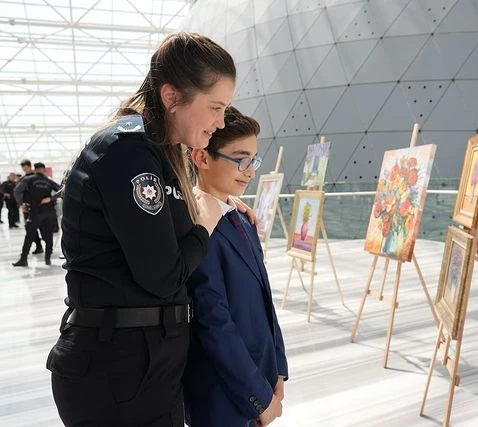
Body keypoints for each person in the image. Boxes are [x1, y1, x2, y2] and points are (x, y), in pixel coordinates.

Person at [45, 32, 239, 426]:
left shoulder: (161, 155)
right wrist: (203, 227)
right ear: (171, 97)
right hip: (117, 367)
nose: (220, 123)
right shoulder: (127, 150)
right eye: (215, 107)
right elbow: (162, 276)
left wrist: (223, 203)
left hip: (145, 365)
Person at [184, 106, 288, 427]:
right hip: (221, 393)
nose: (251, 170)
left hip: (259, 380)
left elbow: (264, 301)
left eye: (254, 160)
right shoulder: (198, 227)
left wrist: (278, 370)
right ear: (202, 158)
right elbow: (214, 322)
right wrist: (257, 397)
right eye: (241, 159)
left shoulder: (243, 217)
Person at [12, 163, 61, 266]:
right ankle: (48, 259)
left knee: (29, 235)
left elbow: (16, 191)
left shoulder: (28, 179)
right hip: (49, 212)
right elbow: (62, 191)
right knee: (48, 235)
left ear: (35, 169)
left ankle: (23, 259)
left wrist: (21, 204)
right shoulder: (49, 181)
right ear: (44, 170)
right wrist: (50, 199)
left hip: (35, 212)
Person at [18, 159, 44, 253]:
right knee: (30, 228)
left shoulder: (38, 177)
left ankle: (45, 242)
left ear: (30, 166)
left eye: (26, 168)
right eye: (23, 168)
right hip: (28, 207)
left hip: (40, 206)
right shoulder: (23, 179)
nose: (25, 170)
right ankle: (39, 246)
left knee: (43, 226)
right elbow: (19, 192)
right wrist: (21, 204)